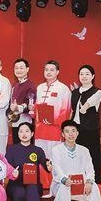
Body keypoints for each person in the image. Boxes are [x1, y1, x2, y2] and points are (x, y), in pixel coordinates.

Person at [51, 120, 101, 201]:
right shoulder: (56, 150)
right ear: (62, 134)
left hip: (79, 185)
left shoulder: (84, 150)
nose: (70, 134)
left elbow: (90, 169)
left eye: (73, 131)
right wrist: (64, 179)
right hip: (62, 185)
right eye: (67, 131)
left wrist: (89, 181)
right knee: (64, 186)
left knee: (94, 187)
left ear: (77, 133)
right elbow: (56, 169)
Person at [34, 60, 72, 189]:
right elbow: (36, 108)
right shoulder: (39, 88)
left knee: (54, 158)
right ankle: (42, 183)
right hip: (40, 130)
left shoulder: (63, 89)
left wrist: (54, 121)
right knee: (41, 156)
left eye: (52, 70)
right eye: (46, 70)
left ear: (57, 72)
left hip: (54, 130)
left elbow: (66, 110)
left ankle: (54, 184)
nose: (48, 72)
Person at [5, 122, 48, 201]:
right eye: (21, 131)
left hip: (33, 183)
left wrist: (48, 165)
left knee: (32, 188)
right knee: (20, 193)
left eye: (27, 131)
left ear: (32, 133)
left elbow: (45, 163)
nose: (24, 134)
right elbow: (7, 167)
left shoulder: (38, 150)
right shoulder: (11, 150)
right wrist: (12, 173)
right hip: (16, 184)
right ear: (18, 134)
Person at [71, 64, 101, 184]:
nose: (84, 76)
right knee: (76, 155)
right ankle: (78, 179)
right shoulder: (75, 92)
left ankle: (94, 179)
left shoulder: (98, 92)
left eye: (87, 74)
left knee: (92, 154)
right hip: (76, 129)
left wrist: (84, 107)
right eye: (81, 74)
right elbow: (72, 110)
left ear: (93, 76)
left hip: (90, 129)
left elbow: (90, 102)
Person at [9, 58, 36, 145]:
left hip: (25, 122)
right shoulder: (15, 85)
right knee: (16, 147)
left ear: (27, 69)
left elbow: (30, 104)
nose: (18, 70)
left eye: (21, 68)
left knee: (26, 147)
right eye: (16, 68)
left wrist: (18, 107)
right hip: (15, 122)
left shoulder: (30, 85)